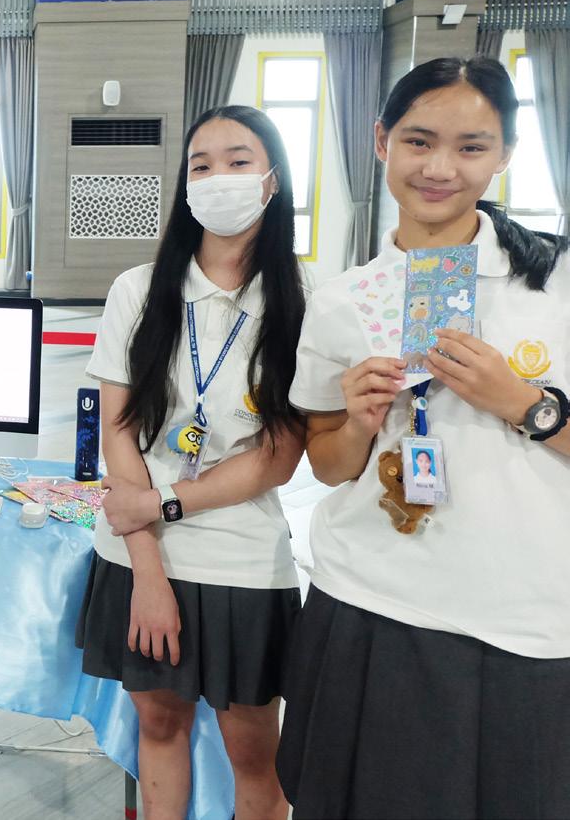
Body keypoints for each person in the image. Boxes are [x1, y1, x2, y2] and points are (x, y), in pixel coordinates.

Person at [277, 57, 570, 818]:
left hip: (520, 620)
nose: (440, 168)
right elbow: (328, 465)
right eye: (418, 141)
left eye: (471, 146)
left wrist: (523, 405)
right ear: (381, 142)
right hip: (368, 600)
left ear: (505, 154)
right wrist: (358, 421)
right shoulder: (343, 300)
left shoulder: (556, 284)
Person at [77, 105, 307, 820]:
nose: (217, 178)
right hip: (137, 551)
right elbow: (118, 433)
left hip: (242, 557)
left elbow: (278, 458)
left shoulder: (302, 301)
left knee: (253, 752)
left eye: (238, 161)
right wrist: (147, 568)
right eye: (200, 165)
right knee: (158, 723)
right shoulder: (137, 290)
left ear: (272, 180)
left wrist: (163, 502)